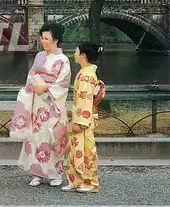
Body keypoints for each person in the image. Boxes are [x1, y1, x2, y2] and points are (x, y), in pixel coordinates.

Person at [10, 22, 71, 187]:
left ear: (56, 39)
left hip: (52, 104)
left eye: (46, 38)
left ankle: (55, 173)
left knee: (52, 136)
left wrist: (45, 87)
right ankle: (37, 172)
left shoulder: (63, 60)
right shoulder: (39, 56)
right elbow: (31, 76)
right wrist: (33, 86)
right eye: (42, 38)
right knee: (36, 137)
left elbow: (63, 84)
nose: (43, 41)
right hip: (37, 103)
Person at [61, 42, 105, 193]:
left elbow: (85, 100)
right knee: (76, 149)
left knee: (86, 150)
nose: (74, 54)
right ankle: (75, 181)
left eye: (76, 51)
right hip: (80, 115)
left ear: (83, 56)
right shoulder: (86, 72)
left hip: (83, 119)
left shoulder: (86, 75)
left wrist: (80, 122)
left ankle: (89, 182)